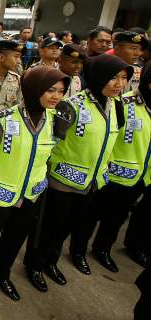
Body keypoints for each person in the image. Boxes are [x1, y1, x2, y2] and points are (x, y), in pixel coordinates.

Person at [0, 67, 70, 301]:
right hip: (0, 191)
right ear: (34, 90)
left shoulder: (55, 121)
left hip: (31, 194)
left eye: (61, 91)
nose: (56, 96)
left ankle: (2, 274)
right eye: (50, 90)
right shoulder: (3, 120)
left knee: (15, 238)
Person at [37, 54, 130, 284]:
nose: (120, 84)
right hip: (62, 182)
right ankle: (36, 265)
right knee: (49, 228)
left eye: (123, 78)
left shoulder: (117, 106)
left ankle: (51, 261)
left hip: (91, 183)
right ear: (99, 77)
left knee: (68, 228)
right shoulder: (71, 106)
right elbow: (52, 144)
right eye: (114, 78)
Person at [83, 61, 150, 274]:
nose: (120, 84)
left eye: (124, 79)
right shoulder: (125, 104)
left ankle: (103, 249)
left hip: (142, 176)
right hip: (112, 174)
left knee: (117, 218)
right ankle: (79, 249)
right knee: (93, 214)